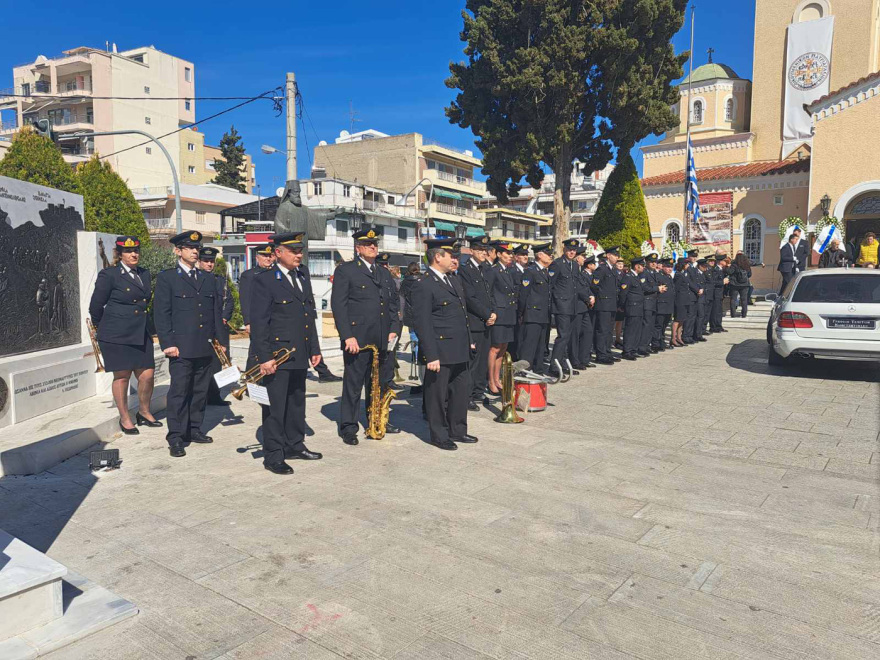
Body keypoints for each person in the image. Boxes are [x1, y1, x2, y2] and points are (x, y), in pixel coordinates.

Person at [249, 232, 323, 475]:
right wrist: (265, 357)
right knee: (275, 407)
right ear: (278, 253)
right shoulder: (265, 280)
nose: (298, 254)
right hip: (277, 356)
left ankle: (295, 444)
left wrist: (314, 348)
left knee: (296, 402)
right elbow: (260, 323)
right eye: (293, 251)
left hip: (299, 352)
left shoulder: (303, 276)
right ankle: (273, 455)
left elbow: (308, 315)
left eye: (300, 250)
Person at [153, 230, 224, 457]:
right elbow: (162, 314)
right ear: (178, 251)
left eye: (197, 248)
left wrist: (219, 341)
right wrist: (168, 343)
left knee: (200, 391)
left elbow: (214, 313)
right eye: (190, 248)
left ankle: (194, 428)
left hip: (204, 345)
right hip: (181, 347)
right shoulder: (168, 278)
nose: (195, 251)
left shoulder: (207, 278)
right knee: (179, 393)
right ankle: (175, 436)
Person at [331, 226, 400, 446]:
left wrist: (394, 330)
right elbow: (339, 306)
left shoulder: (383, 272)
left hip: (382, 338)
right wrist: (347, 336)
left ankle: (377, 419)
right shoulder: (347, 270)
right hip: (358, 339)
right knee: (353, 384)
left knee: (378, 383)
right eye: (368, 245)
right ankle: (348, 427)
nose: (373, 247)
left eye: (375, 244)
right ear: (358, 248)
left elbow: (392, 304)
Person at [88, 235, 160, 435]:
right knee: (122, 376)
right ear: (120, 254)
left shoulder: (144, 274)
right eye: (128, 251)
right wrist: (101, 328)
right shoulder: (109, 274)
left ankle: (144, 411)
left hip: (140, 330)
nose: (134, 254)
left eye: (136, 250)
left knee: (147, 374)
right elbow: (95, 306)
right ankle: (125, 417)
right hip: (116, 333)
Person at [412, 238, 475, 450]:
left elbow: (462, 315)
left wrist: (470, 342)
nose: (454, 259)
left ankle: (458, 430)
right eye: (451, 255)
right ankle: (439, 434)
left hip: (459, 347)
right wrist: (430, 355)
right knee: (437, 395)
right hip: (440, 350)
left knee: (460, 391)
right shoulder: (424, 284)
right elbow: (422, 323)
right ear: (438, 257)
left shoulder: (453, 280)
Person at [459, 236, 496, 409]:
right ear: (472, 251)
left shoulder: (485, 269)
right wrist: (487, 314)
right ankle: (467, 396)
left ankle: (478, 390)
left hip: (487, 321)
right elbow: (470, 297)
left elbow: (490, 294)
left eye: (485, 250)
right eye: (479, 250)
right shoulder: (466, 270)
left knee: (482, 360)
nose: (483, 253)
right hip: (474, 320)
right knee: (473, 362)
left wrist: (493, 313)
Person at [198, 247, 235, 407]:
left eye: (211, 261)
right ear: (199, 262)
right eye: (206, 261)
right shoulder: (196, 279)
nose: (209, 264)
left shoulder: (220, 280)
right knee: (202, 365)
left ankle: (214, 396)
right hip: (203, 329)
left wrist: (224, 317)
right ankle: (202, 396)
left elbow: (230, 301)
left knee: (217, 364)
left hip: (219, 328)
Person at [517, 242, 553, 375]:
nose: (550, 257)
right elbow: (523, 295)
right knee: (529, 346)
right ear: (539, 255)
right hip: (532, 314)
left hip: (543, 314)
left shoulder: (544, 272)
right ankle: (524, 370)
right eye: (548, 254)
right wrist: (521, 314)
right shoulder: (530, 272)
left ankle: (538, 370)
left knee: (540, 346)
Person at [487, 241, 518, 395]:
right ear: (499, 254)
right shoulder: (494, 270)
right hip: (499, 314)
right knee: (495, 348)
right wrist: (492, 311)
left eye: (511, 254)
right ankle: (491, 381)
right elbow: (490, 293)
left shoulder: (507, 271)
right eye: (507, 253)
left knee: (503, 348)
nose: (509, 256)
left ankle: (497, 379)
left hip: (508, 313)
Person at [549, 238, 579, 375]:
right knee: (562, 336)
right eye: (569, 250)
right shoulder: (557, 264)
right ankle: (554, 365)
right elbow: (551, 286)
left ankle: (563, 363)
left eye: (574, 250)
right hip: (562, 306)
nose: (572, 252)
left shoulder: (575, 265)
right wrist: (555, 304)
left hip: (572, 306)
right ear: (564, 250)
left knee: (568, 336)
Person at [376, 252, 403, 391]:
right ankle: (381, 379)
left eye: (386, 264)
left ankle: (389, 378)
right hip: (381, 321)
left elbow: (395, 298)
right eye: (382, 264)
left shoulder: (390, 279)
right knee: (382, 354)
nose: (385, 266)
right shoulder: (375, 278)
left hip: (393, 320)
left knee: (391, 352)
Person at [590, 247, 621, 365]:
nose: (617, 257)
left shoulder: (612, 269)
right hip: (603, 304)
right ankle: (601, 354)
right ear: (608, 255)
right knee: (602, 330)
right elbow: (594, 285)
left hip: (612, 304)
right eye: (614, 255)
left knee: (609, 330)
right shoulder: (602, 269)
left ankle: (607, 352)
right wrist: (603, 296)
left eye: (617, 255)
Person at [398, 262, 424, 396]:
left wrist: (401, 315)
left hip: (409, 316)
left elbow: (402, 300)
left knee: (414, 338)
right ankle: (420, 357)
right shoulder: (423, 279)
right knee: (422, 339)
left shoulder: (405, 282)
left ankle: (416, 356)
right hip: (422, 314)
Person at [618, 257, 647, 360]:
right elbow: (623, 294)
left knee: (637, 330)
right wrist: (622, 306)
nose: (643, 267)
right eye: (642, 265)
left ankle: (633, 350)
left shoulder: (637, 277)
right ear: (636, 266)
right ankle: (627, 351)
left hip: (639, 307)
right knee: (630, 330)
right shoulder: (628, 277)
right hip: (632, 307)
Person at [575, 253, 597, 368]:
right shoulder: (575, 270)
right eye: (582, 256)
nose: (584, 259)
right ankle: (575, 360)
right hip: (577, 306)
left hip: (584, 306)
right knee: (576, 334)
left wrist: (591, 295)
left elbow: (586, 288)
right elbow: (578, 289)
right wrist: (588, 298)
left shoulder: (578, 271)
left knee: (588, 332)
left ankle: (584, 359)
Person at [639, 254, 662, 356]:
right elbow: (644, 287)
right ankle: (641, 347)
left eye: (655, 262)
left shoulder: (654, 273)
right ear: (647, 262)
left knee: (651, 325)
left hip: (653, 302)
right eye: (651, 262)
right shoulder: (644, 273)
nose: (654, 263)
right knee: (646, 325)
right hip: (647, 302)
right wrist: (657, 289)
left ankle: (647, 345)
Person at [653, 258, 675, 351]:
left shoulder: (669, 277)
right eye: (667, 267)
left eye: (671, 267)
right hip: (661, 305)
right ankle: (655, 343)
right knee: (658, 325)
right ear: (663, 267)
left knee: (664, 325)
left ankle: (661, 342)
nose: (669, 269)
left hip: (668, 305)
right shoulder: (658, 276)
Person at [671, 258, 693, 347]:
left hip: (685, 300)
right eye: (687, 264)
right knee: (677, 320)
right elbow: (676, 289)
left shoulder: (683, 274)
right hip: (680, 301)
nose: (688, 265)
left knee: (682, 320)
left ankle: (679, 338)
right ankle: (673, 338)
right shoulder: (678, 275)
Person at [778, 228, 805, 292]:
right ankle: (787, 296)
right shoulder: (785, 247)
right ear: (791, 239)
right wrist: (793, 259)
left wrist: (796, 266)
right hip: (785, 268)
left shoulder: (792, 247)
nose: (796, 241)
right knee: (790, 282)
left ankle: (780, 295)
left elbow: (793, 257)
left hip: (791, 268)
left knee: (785, 283)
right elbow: (783, 258)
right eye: (795, 239)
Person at [728, 253, 752, 317]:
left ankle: (733, 314)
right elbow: (749, 274)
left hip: (734, 284)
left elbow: (730, 272)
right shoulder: (747, 265)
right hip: (745, 285)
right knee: (744, 300)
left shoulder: (734, 264)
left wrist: (726, 268)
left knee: (733, 299)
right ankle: (744, 314)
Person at [710, 254, 729, 333]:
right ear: (720, 261)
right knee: (715, 310)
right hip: (716, 293)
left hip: (720, 293)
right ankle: (714, 327)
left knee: (719, 310)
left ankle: (719, 325)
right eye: (725, 260)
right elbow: (713, 282)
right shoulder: (715, 270)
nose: (726, 262)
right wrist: (722, 282)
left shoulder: (721, 269)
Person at [693, 259, 711, 342]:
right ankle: (697, 334)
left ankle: (698, 333)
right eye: (704, 266)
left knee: (702, 316)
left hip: (704, 298)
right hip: (699, 298)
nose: (705, 268)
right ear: (699, 266)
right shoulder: (696, 274)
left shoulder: (703, 274)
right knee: (700, 316)